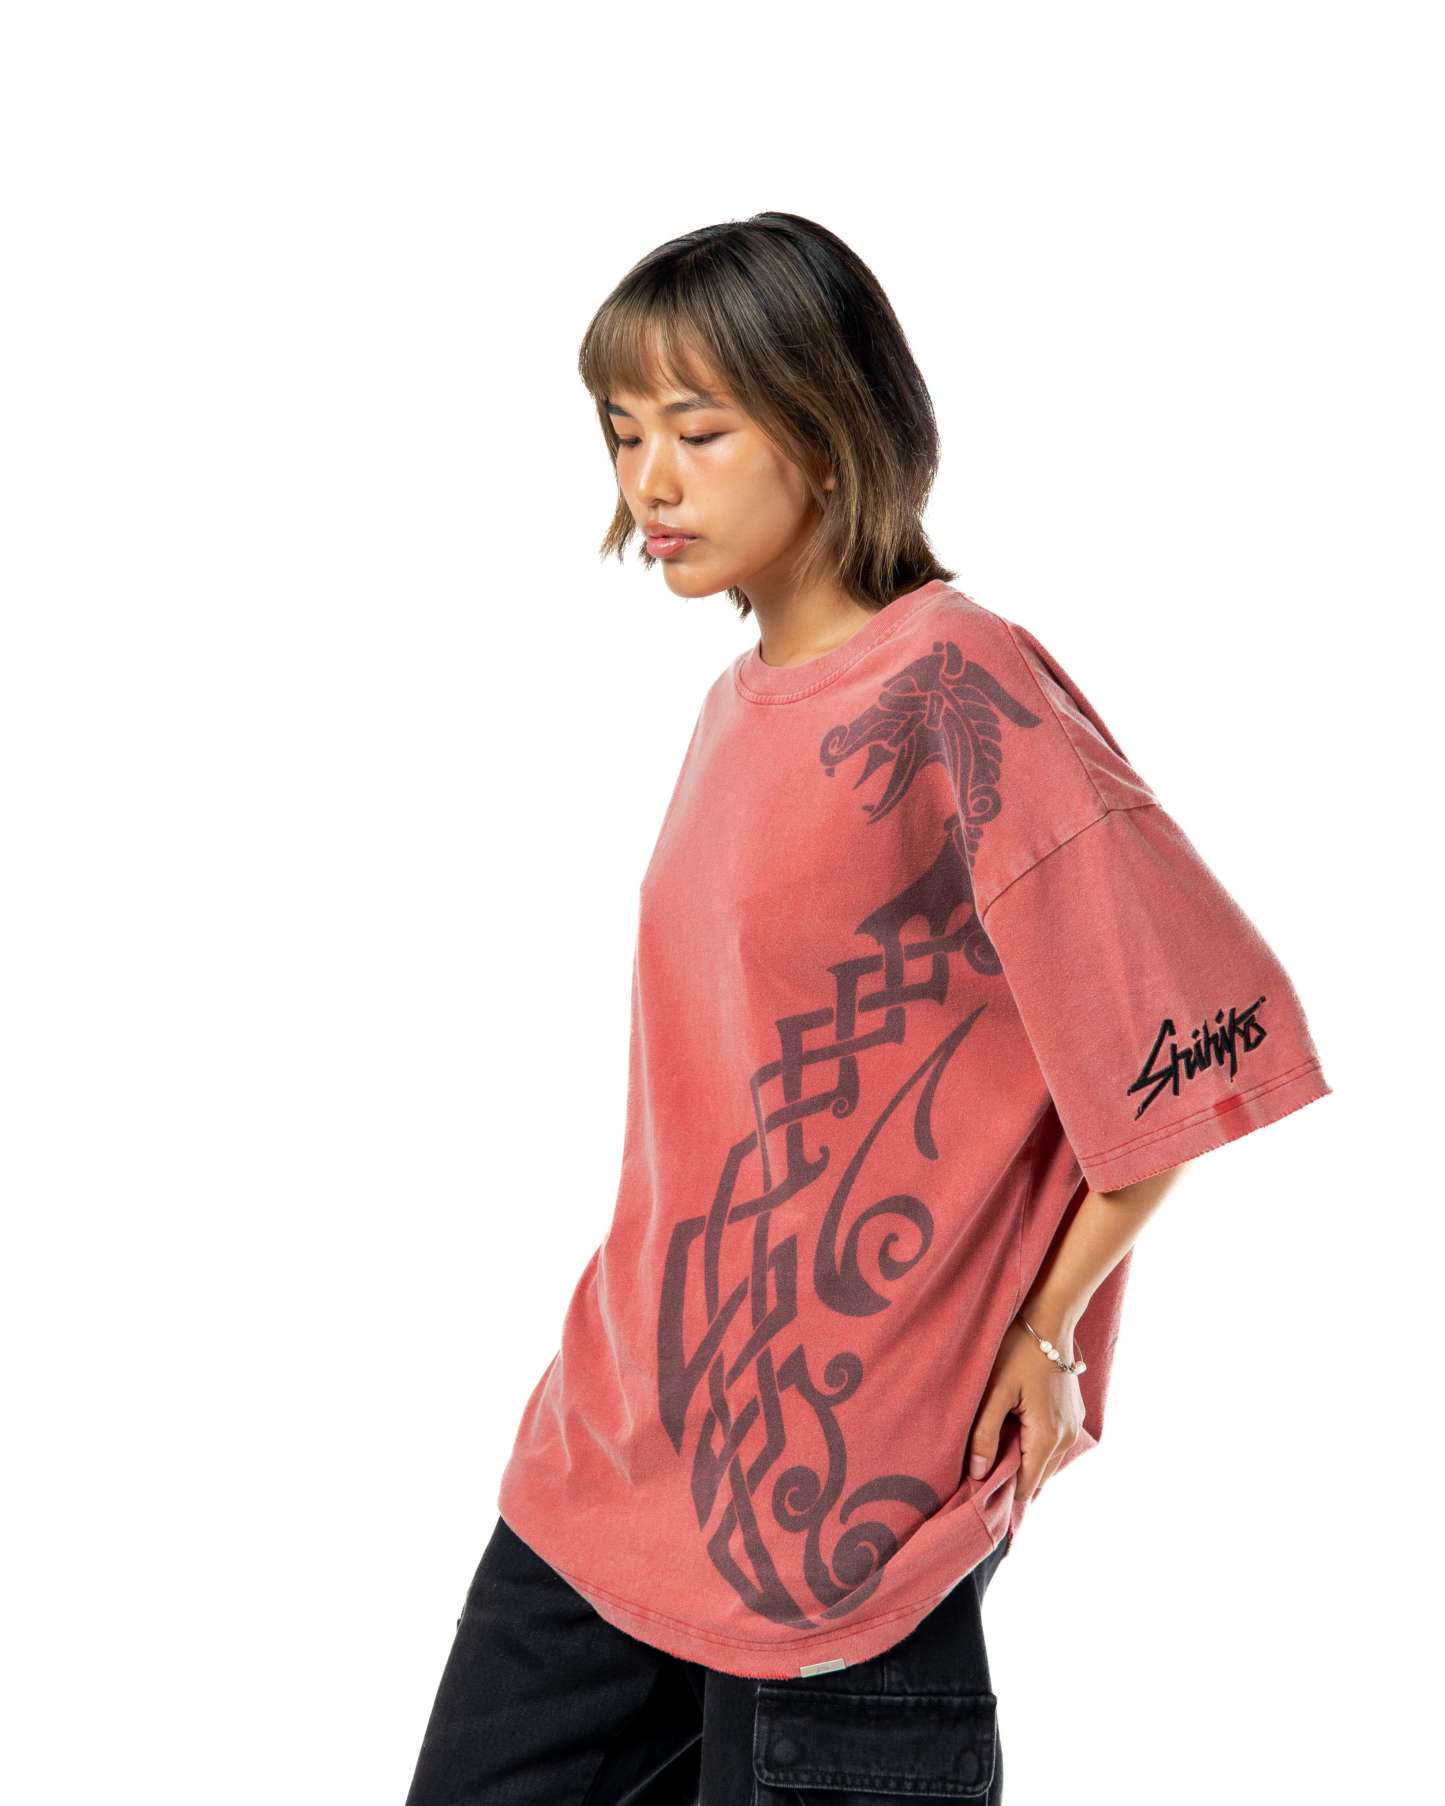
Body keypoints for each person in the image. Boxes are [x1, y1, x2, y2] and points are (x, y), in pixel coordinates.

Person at [402, 212, 1333, 1805]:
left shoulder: (958, 683)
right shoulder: (735, 701)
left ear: (829, 429)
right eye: (623, 432)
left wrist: (1047, 1327)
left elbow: (1182, 1037)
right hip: (612, 1452)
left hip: (845, 1500)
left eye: (698, 430)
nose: (650, 480)